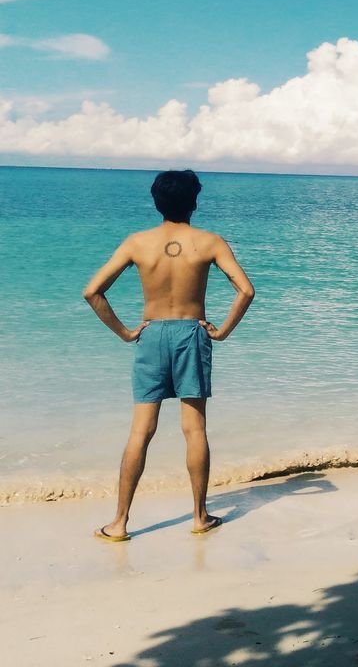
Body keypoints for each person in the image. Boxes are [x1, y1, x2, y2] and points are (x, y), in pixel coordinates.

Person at [82, 170, 255, 541]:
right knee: (194, 429)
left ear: (156, 202)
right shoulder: (210, 242)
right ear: (194, 201)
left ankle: (119, 523)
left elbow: (93, 292)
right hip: (192, 334)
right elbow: (246, 291)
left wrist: (127, 333)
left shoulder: (137, 243)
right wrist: (222, 331)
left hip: (152, 334)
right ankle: (199, 516)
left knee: (141, 431)